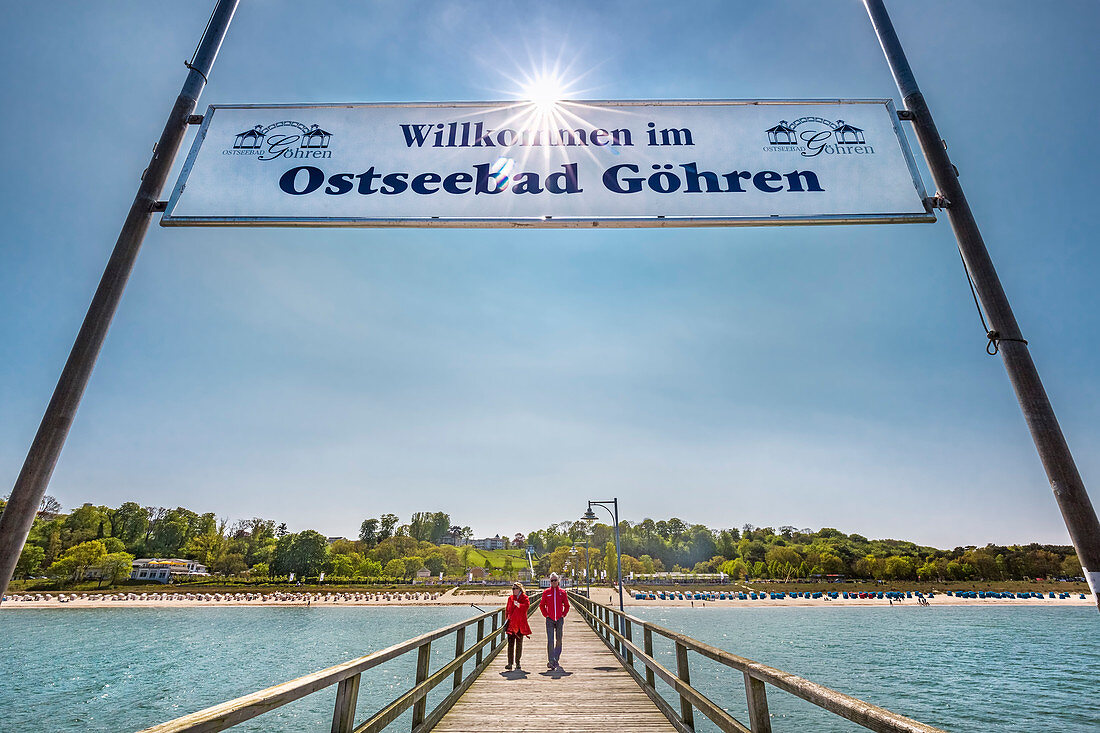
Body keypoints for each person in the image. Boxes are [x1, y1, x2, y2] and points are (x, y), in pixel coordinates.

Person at [540, 573, 569, 669]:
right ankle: (551, 660)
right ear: (550, 582)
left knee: (559, 639)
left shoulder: (562, 592)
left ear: (558, 581)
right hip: (550, 619)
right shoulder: (546, 592)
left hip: (559, 619)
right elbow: (541, 605)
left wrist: (563, 614)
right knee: (550, 640)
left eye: (555, 580)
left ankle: (556, 657)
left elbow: (567, 605)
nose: (553, 582)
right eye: (552, 580)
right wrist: (546, 614)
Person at [504, 582, 531, 671]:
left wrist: (518, 605)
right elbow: (507, 610)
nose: (513, 590)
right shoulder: (510, 598)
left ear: (519, 589)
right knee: (510, 645)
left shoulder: (524, 598)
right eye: (512, 588)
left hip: (520, 625)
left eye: (515, 588)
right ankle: (509, 663)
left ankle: (518, 662)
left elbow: (526, 607)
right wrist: (506, 620)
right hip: (511, 625)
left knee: (519, 644)